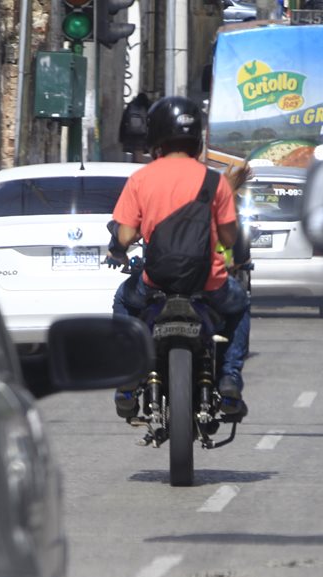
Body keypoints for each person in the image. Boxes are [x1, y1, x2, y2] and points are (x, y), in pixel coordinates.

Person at [107, 96, 252, 420]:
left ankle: (128, 378)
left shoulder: (141, 179)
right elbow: (231, 237)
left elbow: (126, 236)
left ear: (155, 136)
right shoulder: (214, 181)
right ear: (197, 138)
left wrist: (119, 243)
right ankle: (229, 377)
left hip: (155, 280)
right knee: (239, 305)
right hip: (208, 282)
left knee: (123, 300)